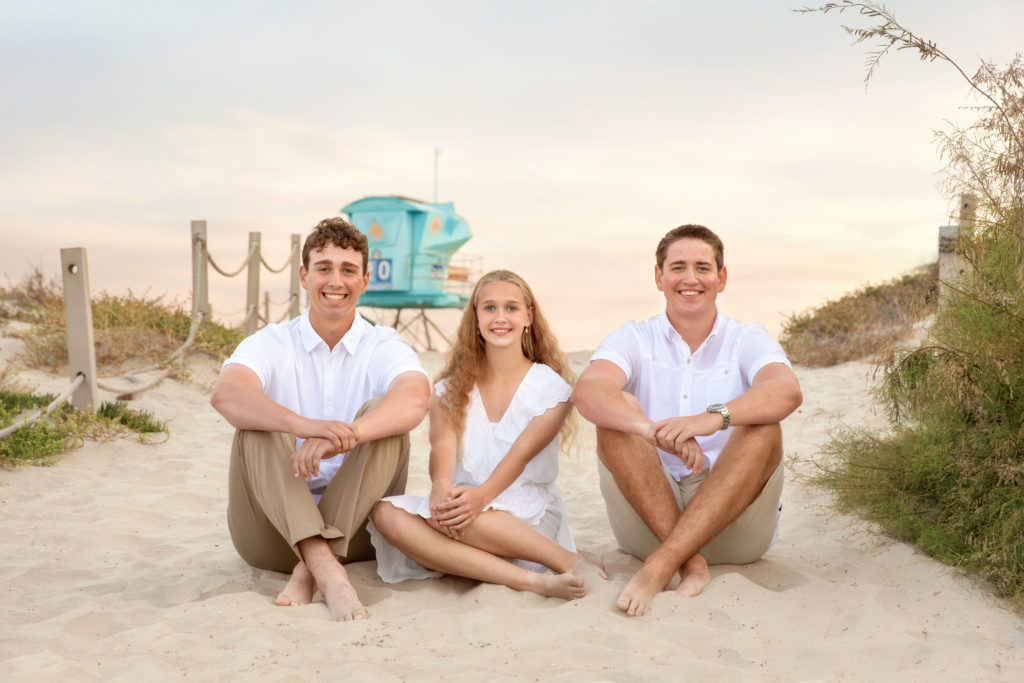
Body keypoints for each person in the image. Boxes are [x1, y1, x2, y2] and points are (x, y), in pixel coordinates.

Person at [571, 224, 803, 617]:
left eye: (703, 267)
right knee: (618, 409)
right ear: (659, 277)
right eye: (678, 267)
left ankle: (662, 566)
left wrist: (711, 419)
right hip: (648, 520)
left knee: (760, 423)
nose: (690, 279)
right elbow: (588, 391)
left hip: (735, 525)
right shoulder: (635, 337)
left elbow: (786, 391)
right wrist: (653, 432)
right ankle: (688, 561)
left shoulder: (746, 337)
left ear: (721, 278)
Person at [210, 217, 430, 621]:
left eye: (348, 270)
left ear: (364, 281)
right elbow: (227, 394)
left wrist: (344, 436)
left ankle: (310, 570)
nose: (336, 280)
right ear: (304, 275)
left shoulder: (382, 344)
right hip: (269, 535)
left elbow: (416, 397)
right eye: (324, 267)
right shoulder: (273, 342)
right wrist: (304, 426)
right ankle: (325, 568)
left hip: (356, 536)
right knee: (258, 425)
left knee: (383, 423)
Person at [369, 270, 602, 599]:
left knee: (465, 517)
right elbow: (442, 446)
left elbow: (519, 457)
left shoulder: (552, 388)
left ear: (528, 317)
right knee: (386, 515)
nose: (500, 318)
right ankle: (530, 582)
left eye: (511, 308)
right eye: (489, 308)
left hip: (525, 514)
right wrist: (440, 486)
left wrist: (480, 498)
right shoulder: (450, 387)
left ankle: (568, 561)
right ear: (475, 317)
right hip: (460, 505)